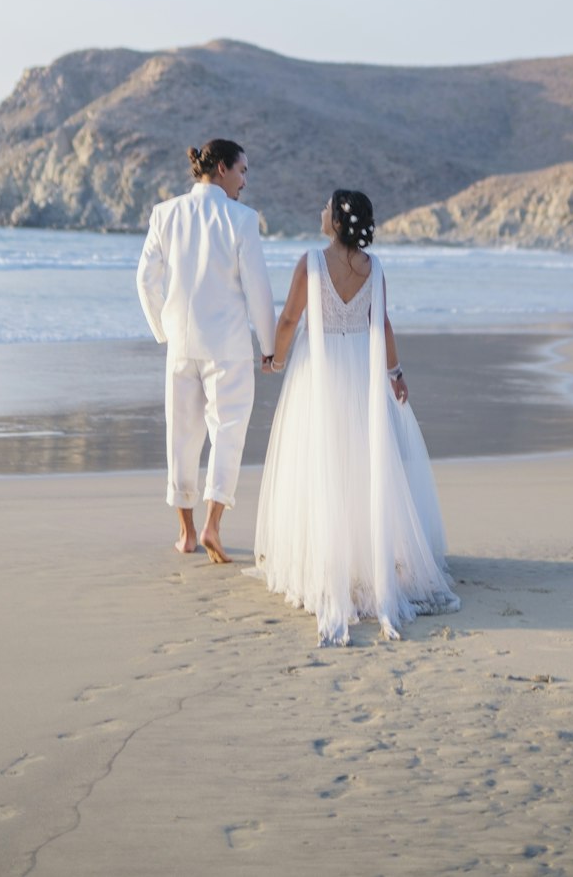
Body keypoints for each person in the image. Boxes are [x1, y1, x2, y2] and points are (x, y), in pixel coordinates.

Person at [250, 189, 460, 644]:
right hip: (363, 373)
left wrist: (274, 358)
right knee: (365, 465)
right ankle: (367, 562)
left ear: (337, 220)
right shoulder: (375, 268)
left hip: (320, 373)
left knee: (319, 461)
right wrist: (395, 373)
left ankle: (327, 563)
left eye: (326, 207)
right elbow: (381, 324)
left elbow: (288, 319)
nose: (321, 211)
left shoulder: (310, 262)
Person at [137, 138, 276, 563]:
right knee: (227, 433)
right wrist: (269, 347)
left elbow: (145, 279)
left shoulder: (165, 213)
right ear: (221, 169)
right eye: (242, 171)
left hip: (181, 346)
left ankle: (186, 533)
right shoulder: (242, 219)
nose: (245, 181)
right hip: (228, 347)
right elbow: (257, 289)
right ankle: (214, 524)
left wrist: (164, 331)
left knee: (180, 436)